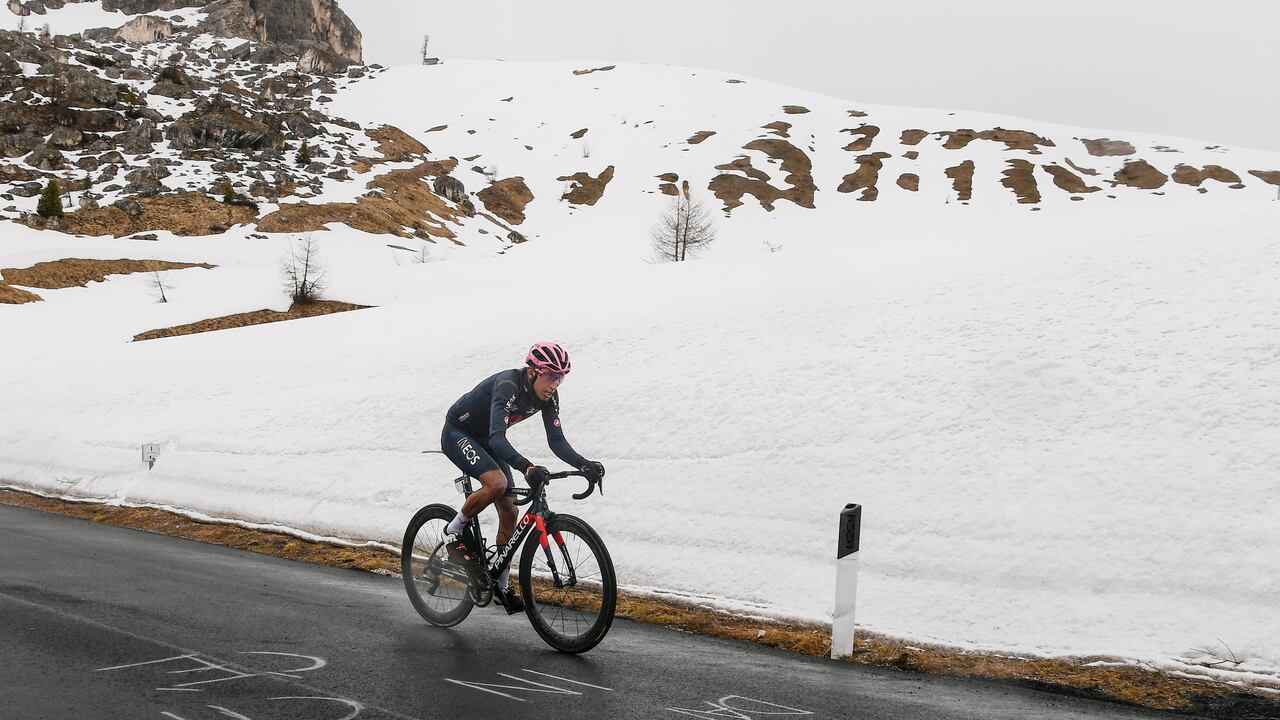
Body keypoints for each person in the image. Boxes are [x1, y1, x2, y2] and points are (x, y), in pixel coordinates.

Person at [439, 341, 605, 613]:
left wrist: (583, 464)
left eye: (560, 377)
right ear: (533, 371)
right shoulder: (509, 385)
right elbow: (497, 437)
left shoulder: (549, 397)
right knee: (497, 483)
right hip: (459, 432)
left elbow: (557, 441)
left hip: (489, 440)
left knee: (510, 511)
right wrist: (526, 467)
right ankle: (453, 531)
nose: (554, 383)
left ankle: (500, 585)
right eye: (550, 375)